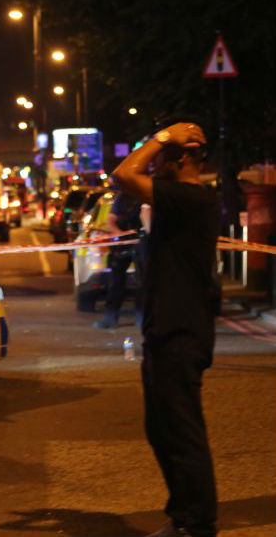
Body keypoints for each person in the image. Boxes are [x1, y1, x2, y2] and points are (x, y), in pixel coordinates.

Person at [112, 120, 219, 537]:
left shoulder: (191, 198)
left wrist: (158, 139)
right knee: (160, 429)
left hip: (182, 330)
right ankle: (183, 514)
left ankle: (198, 524)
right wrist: (162, 142)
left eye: (161, 159)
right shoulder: (178, 198)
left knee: (183, 431)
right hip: (164, 327)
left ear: (182, 159)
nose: (153, 166)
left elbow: (124, 175)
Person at [93, 190, 147, 329]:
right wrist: (122, 235)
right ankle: (111, 317)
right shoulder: (123, 197)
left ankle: (142, 317)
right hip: (122, 245)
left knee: (143, 282)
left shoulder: (146, 195)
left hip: (141, 243)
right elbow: (110, 221)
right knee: (116, 282)